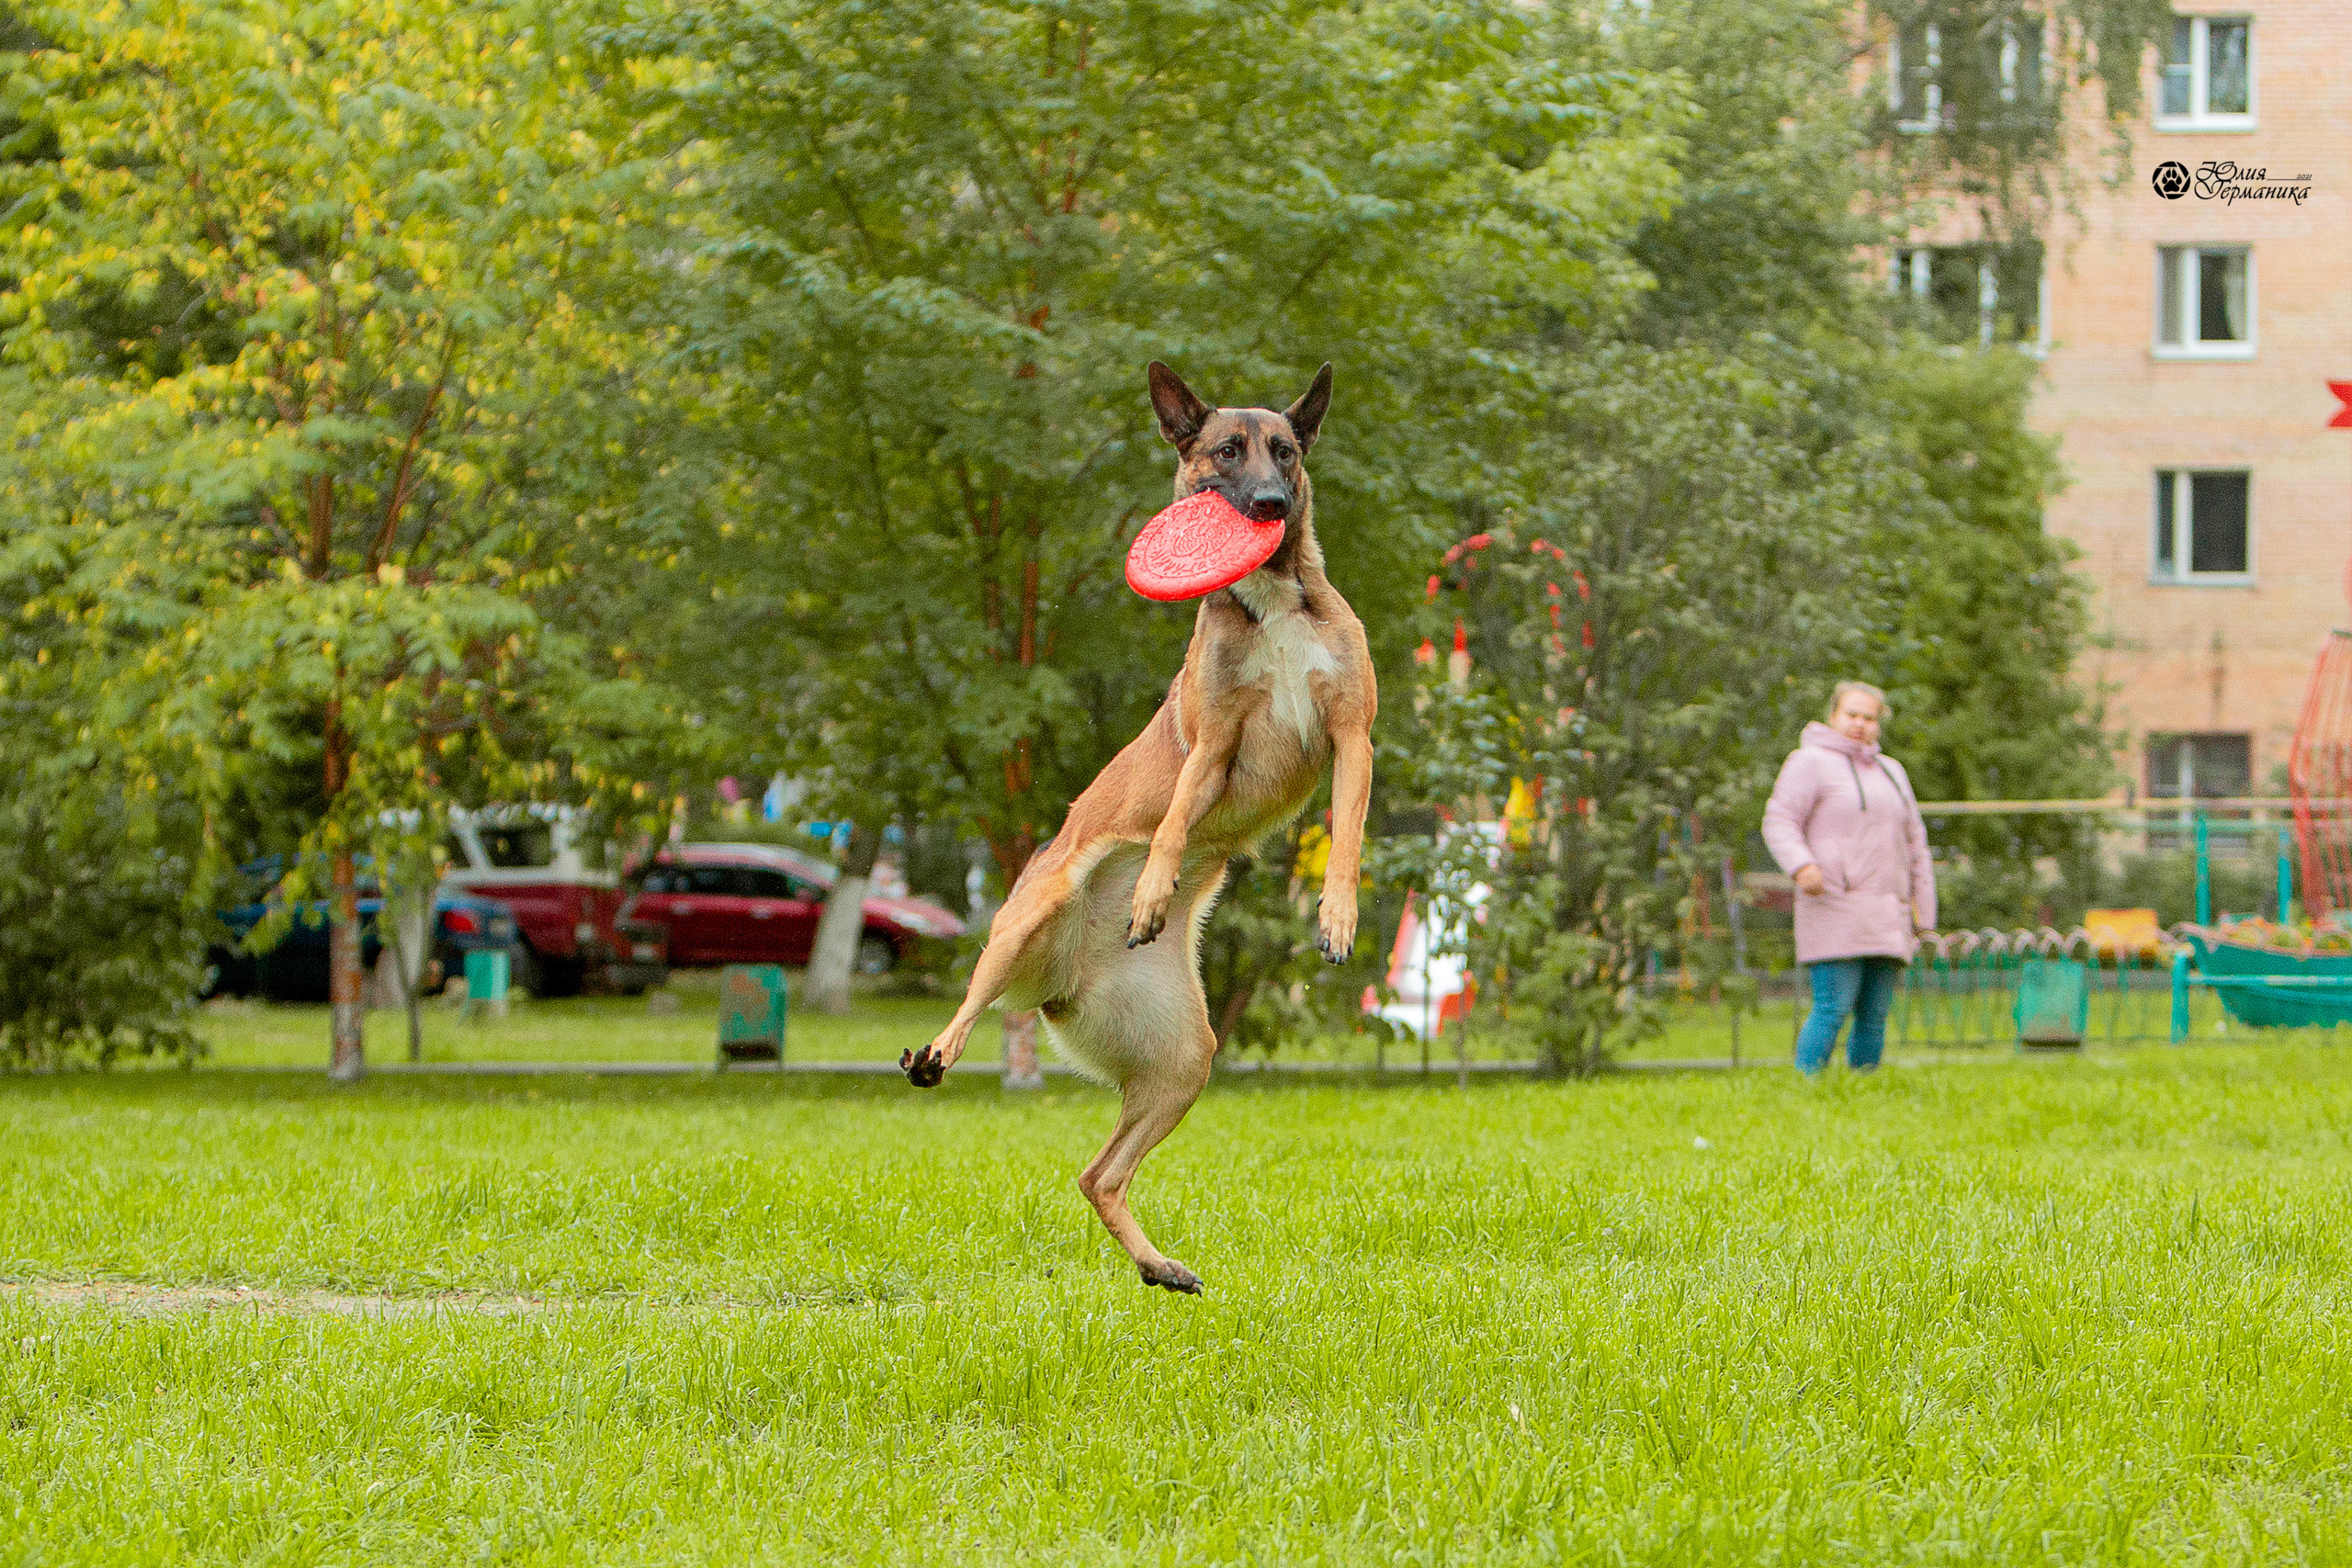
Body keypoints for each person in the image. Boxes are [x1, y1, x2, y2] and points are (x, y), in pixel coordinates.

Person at [1762, 681, 1936, 1073]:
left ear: (1879, 723)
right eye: (1851, 714)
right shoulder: (1808, 762)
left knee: (1874, 1014)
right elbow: (1779, 819)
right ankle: (1807, 1087)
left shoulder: (1893, 771)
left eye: (1869, 717)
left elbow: (1916, 844)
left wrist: (1924, 912)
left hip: (1886, 910)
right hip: (1833, 901)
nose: (1860, 724)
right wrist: (1801, 864)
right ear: (1833, 715)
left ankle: (1862, 1088)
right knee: (1833, 1006)